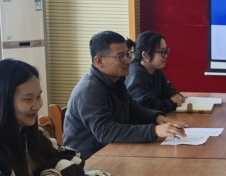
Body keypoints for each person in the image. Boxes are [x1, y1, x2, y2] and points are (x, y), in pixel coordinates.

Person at [62, 30, 188, 159]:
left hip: (114, 151)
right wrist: (154, 130)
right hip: (88, 161)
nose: (128, 61)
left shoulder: (116, 80)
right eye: (121, 56)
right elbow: (105, 131)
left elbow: (134, 110)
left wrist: (157, 118)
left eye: (128, 54)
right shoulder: (89, 90)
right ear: (99, 61)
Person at [126, 30, 185, 112]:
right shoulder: (136, 73)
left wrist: (175, 96)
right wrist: (172, 102)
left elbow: (168, 91)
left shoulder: (155, 70)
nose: (166, 55)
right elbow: (146, 105)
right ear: (145, 55)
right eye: (162, 52)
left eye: (166, 51)